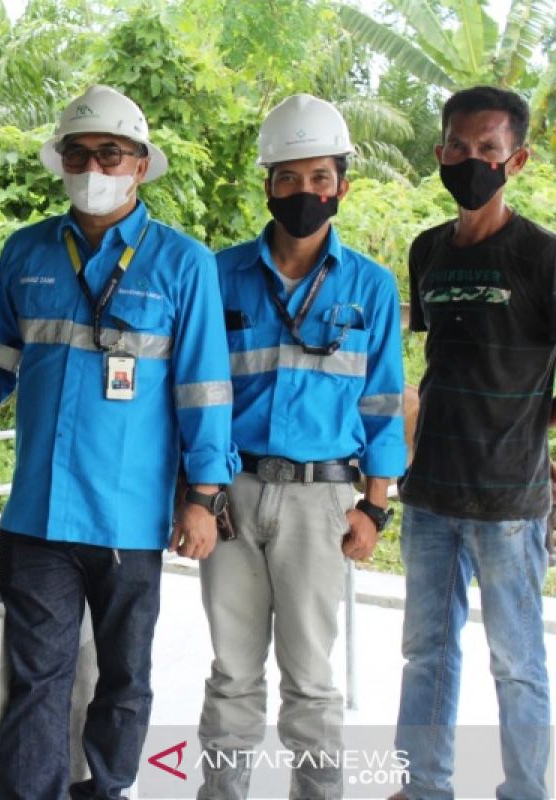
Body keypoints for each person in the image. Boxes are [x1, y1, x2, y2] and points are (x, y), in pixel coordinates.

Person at [0, 84, 237, 800]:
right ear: (61, 161)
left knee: (125, 678)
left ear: (139, 164)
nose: (93, 165)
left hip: (130, 517)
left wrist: (205, 498)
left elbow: (204, 390)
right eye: (79, 153)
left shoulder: (184, 264)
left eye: (110, 153)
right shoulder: (26, 251)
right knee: (38, 677)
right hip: (38, 514)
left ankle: (110, 788)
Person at [196, 94, 407, 800]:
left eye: (320, 178)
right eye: (288, 178)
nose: (304, 193)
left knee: (313, 681)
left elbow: (382, 404)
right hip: (232, 493)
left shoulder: (371, 288)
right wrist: (193, 493)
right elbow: (195, 393)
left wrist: (374, 508)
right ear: (267, 185)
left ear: (342, 185)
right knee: (232, 673)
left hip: (322, 502)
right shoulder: (217, 276)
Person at [392, 86, 553, 800]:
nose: (471, 160)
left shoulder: (543, 257)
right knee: (425, 653)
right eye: (459, 147)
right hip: (428, 496)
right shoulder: (427, 250)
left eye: (488, 150)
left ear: (515, 160)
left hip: (512, 501)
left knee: (516, 661)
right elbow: (439, 370)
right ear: (440, 153)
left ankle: (525, 789)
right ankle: (423, 786)